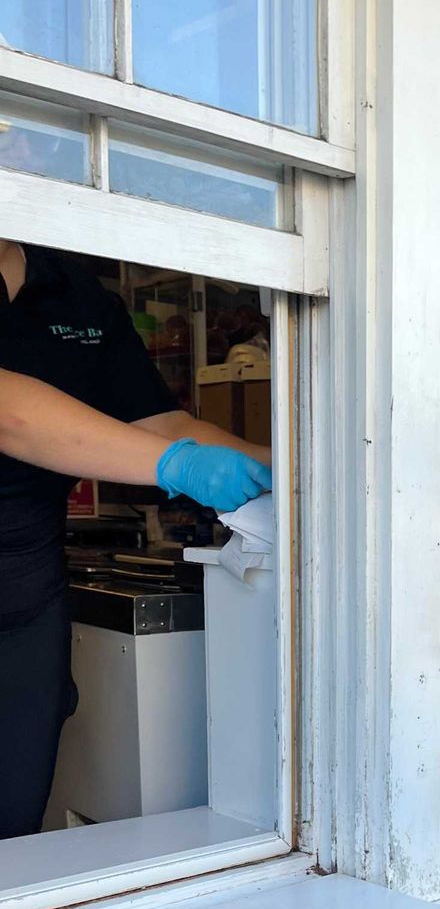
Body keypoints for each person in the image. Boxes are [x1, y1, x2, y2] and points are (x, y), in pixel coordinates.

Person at [0, 240, 272, 839]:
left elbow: (159, 422)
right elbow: (9, 411)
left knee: (13, 817)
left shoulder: (73, 291)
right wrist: (178, 466)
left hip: (25, 591)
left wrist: (288, 465)